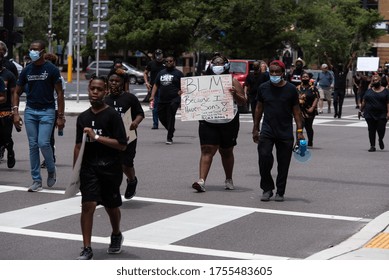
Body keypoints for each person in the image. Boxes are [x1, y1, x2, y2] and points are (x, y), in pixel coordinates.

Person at [73, 75, 127, 260]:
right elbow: (79, 146)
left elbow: (121, 144)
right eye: (92, 89)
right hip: (89, 168)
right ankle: (87, 247)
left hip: (110, 167)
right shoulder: (83, 118)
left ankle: (116, 233)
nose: (95, 92)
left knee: (111, 206)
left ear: (105, 92)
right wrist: (75, 173)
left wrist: (96, 137)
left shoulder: (112, 115)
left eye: (99, 89)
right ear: (88, 90)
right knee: (88, 205)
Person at [12, 40, 65, 192]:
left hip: (47, 111)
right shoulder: (27, 70)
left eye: (35, 50)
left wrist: (60, 116)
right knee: (33, 146)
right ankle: (36, 180)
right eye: (31, 49)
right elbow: (17, 91)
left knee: (43, 143)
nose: (32, 52)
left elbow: (60, 93)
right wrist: (15, 112)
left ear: (42, 51)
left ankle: (51, 168)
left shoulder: (52, 69)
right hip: (30, 111)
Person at [192, 53, 247, 192]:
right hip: (208, 120)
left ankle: (229, 179)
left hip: (228, 121)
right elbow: (193, 100)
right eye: (215, 63)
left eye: (220, 63)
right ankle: (202, 181)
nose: (218, 66)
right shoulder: (203, 81)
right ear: (211, 66)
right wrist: (186, 95)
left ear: (226, 66)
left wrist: (234, 94)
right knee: (206, 149)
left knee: (226, 151)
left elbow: (243, 101)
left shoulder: (232, 81)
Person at [252, 60, 304, 202]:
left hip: (285, 132)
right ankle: (267, 188)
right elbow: (258, 109)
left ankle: (280, 191)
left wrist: (299, 131)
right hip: (267, 130)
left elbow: (297, 112)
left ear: (283, 73)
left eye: (277, 72)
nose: (274, 74)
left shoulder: (291, 89)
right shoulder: (263, 88)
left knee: (283, 163)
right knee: (264, 158)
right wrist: (255, 128)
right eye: (271, 71)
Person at [105, 69, 145, 199]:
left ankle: (132, 180)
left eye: (117, 81)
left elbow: (140, 113)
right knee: (111, 165)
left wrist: (135, 122)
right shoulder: (105, 99)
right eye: (111, 81)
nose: (114, 83)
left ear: (122, 83)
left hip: (129, 137)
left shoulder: (129, 98)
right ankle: (112, 191)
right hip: (111, 138)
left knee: (125, 164)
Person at [150, 55, 184, 144]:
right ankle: (171, 129)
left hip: (174, 98)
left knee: (171, 115)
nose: (169, 62)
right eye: (167, 61)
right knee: (160, 116)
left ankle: (169, 138)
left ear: (174, 62)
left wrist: (181, 93)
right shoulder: (161, 73)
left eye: (171, 61)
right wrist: (152, 95)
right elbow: (156, 85)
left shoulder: (178, 73)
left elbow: (185, 85)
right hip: (162, 99)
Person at [40, 53, 66, 169]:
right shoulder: (40, 75)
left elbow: (61, 96)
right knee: (41, 138)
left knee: (48, 136)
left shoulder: (59, 77)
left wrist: (61, 115)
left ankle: (49, 158)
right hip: (40, 108)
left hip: (52, 109)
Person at [359, 74, 389, 152]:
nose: (375, 81)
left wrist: (388, 113)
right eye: (373, 80)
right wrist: (360, 110)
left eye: (376, 80)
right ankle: (372, 145)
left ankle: (380, 139)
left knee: (381, 129)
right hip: (369, 113)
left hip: (382, 113)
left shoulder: (386, 91)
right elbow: (364, 101)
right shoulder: (369, 91)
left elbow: (388, 103)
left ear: (380, 81)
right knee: (371, 129)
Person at [325, 52, 354, 118]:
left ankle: (339, 113)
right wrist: (326, 57)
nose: (340, 66)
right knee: (335, 101)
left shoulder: (345, 72)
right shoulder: (335, 71)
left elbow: (349, 65)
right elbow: (330, 65)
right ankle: (336, 112)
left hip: (342, 89)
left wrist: (352, 58)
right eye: (339, 65)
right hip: (336, 89)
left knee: (340, 103)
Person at [0, 61, 17, 167]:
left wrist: (14, 111)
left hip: (5, 110)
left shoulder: (8, 75)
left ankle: (10, 151)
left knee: (6, 136)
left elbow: (13, 94)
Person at [143, 49, 165, 129]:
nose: (158, 55)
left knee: (166, 105)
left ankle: (168, 123)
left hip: (165, 87)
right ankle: (155, 124)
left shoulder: (166, 63)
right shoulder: (151, 63)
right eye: (156, 54)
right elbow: (145, 73)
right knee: (155, 106)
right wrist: (146, 82)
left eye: (160, 54)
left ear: (162, 54)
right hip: (154, 88)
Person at [296, 72, 319, 147]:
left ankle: (310, 141)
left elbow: (316, 98)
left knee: (308, 127)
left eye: (306, 77)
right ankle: (299, 142)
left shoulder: (312, 88)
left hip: (309, 110)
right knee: (299, 126)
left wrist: (312, 107)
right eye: (303, 77)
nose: (305, 78)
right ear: (301, 78)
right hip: (299, 110)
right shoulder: (297, 88)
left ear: (309, 78)